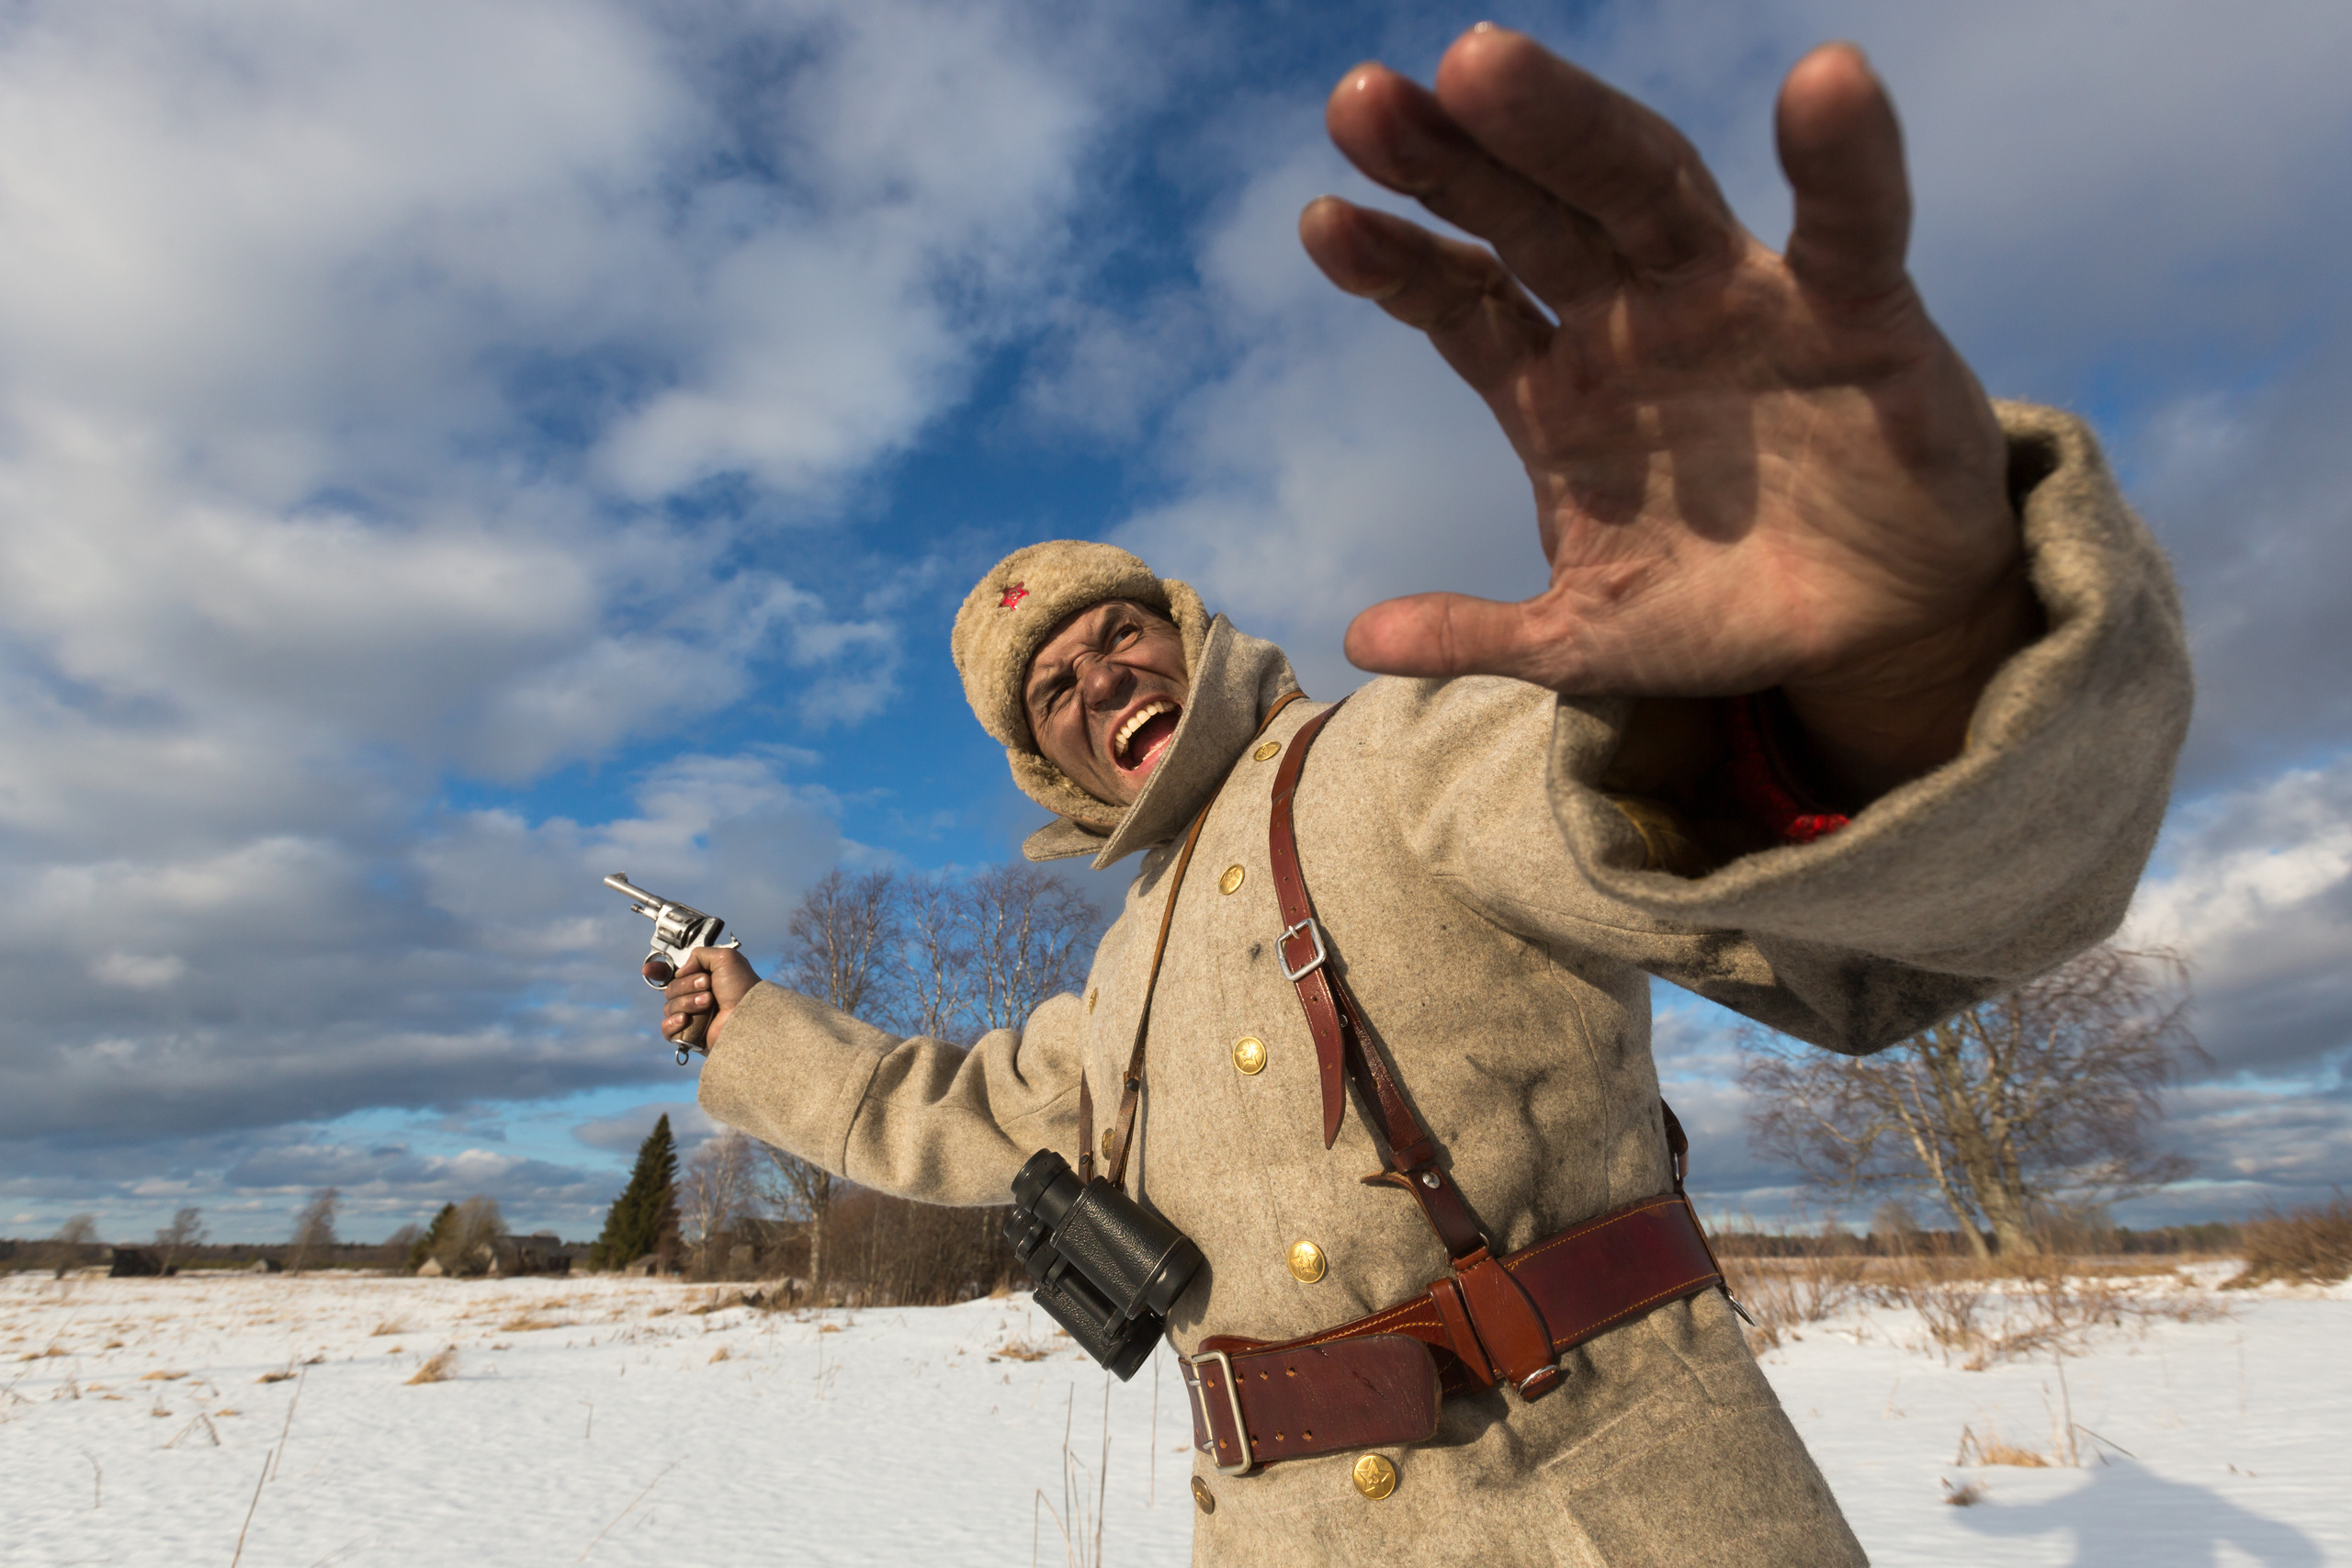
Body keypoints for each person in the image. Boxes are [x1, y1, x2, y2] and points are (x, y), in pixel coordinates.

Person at [651, 26, 2188, 1567]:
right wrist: (745, 1021)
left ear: (1184, 634)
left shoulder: (1401, 753)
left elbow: (1724, 850)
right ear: (1049, 766)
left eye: (1119, 634)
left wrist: (1891, 684)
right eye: (1057, 691)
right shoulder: (1121, 973)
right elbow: (942, 1111)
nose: (1104, 680)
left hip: (1605, 1517)